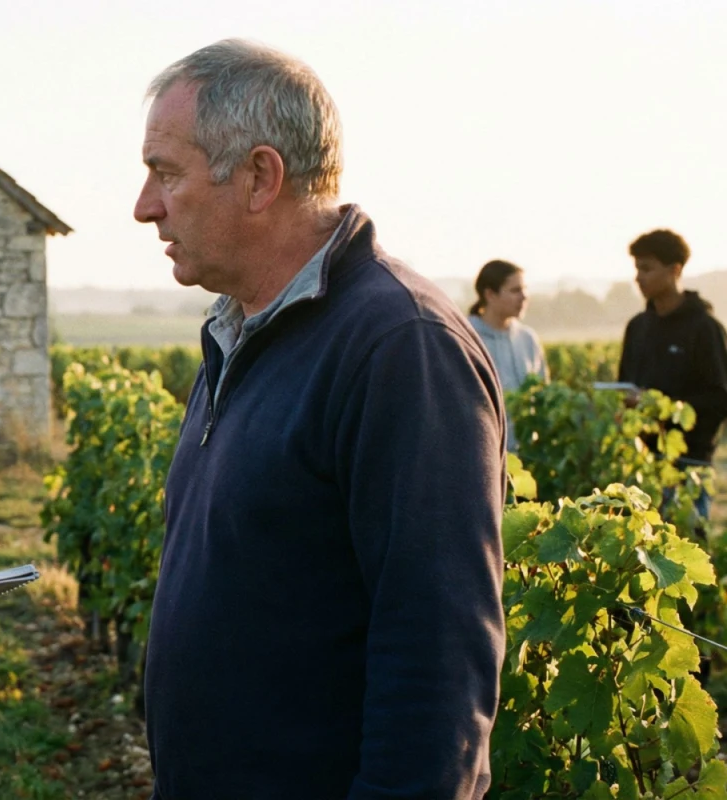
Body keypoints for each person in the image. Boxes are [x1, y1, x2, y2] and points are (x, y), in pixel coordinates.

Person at [132, 40, 505, 799]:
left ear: (260, 177)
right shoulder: (239, 331)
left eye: (166, 173)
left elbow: (437, 665)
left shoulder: (403, 348)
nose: (144, 206)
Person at [618, 228, 727, 509]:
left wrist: (659, 405)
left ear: (674, 270)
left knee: (687, 535)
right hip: (641, 463)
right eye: (636, 269)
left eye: (647, 269)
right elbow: (624, 384)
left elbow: (719, 398)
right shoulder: (637, 327)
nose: (638, 277)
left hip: (689, 464)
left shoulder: (705, 329)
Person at [466, 259, 548, 450]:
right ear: (490, 294)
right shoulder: (466, 337)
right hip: (481, 451)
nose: (524, 296)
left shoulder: (528, 339)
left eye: (524, 289)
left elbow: (543, 395)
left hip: (526, 454)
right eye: (515, 290)